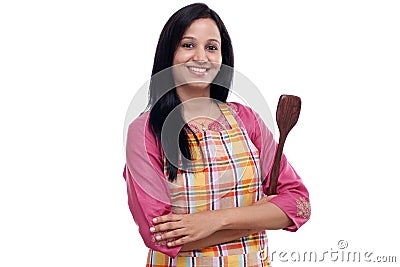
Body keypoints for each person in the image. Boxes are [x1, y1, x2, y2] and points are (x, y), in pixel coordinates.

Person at [123, 3, 311, 266]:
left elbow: (299, 204)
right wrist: (259, 217)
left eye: (212, 47)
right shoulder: (145, 131)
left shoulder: (248, 120)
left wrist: (215, 219)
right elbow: (161, 237)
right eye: (188, 45)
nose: (201, 57)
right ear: (169, 54)